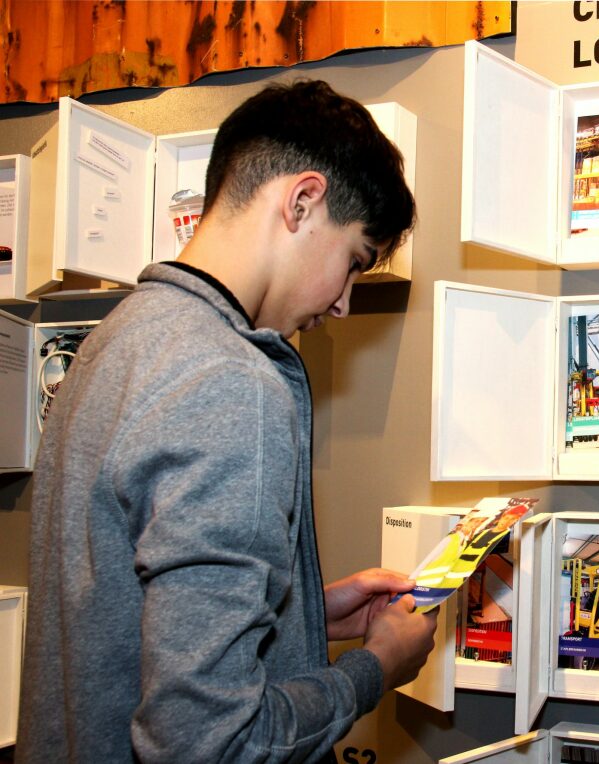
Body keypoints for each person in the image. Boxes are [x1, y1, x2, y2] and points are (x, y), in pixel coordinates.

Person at [17, 80, 439, 763]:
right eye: (354, 261)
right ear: (302, 202)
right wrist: (374, 670)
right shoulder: (233, 381)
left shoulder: (115, 340)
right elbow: (210, 741)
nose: (341, 305)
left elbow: (117, 613)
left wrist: (300, 614)